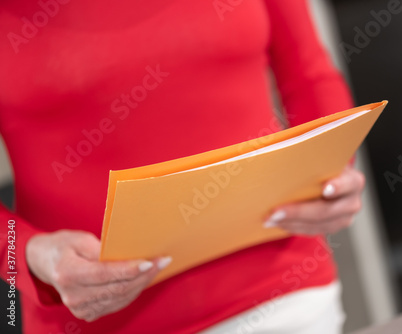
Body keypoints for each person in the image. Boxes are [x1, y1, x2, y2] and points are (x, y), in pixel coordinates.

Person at [0, 0, 365, 333]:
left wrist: (330, 170)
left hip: (285, 298)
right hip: (93, 322)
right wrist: (30, 252)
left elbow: (308, 72)